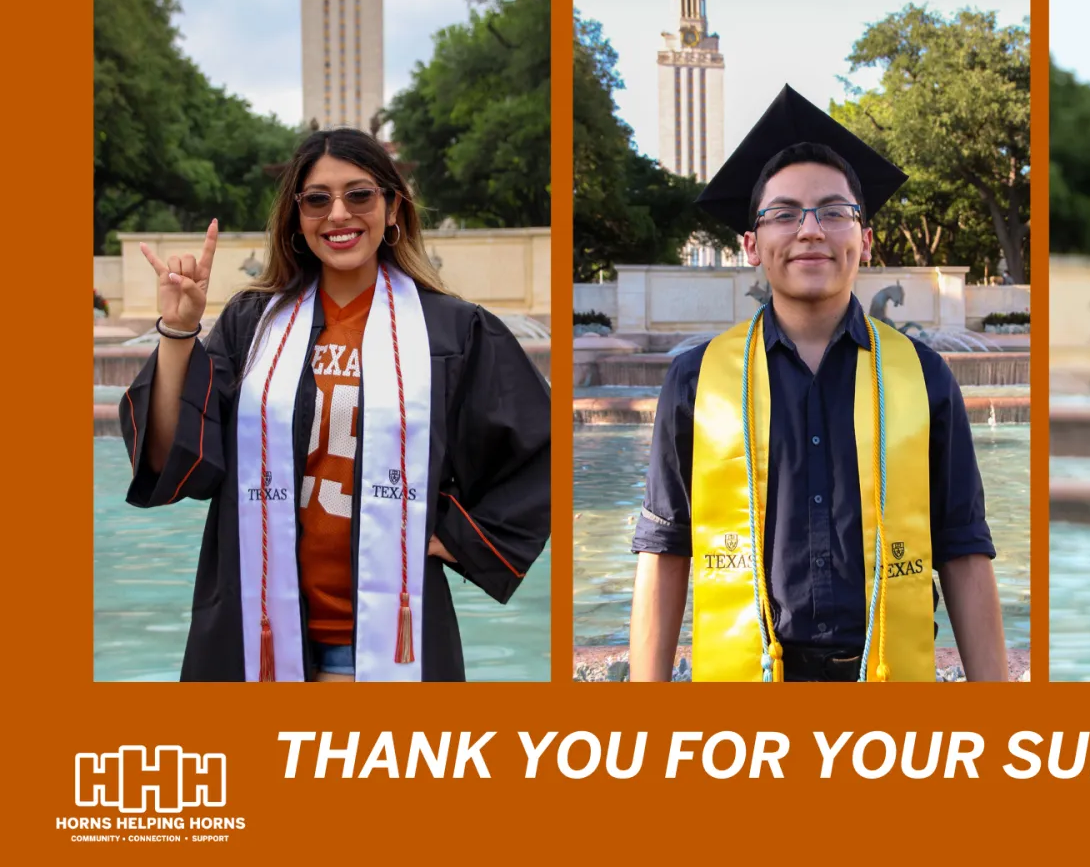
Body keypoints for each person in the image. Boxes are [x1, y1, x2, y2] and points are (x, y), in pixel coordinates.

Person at [118, 128, 551, 682]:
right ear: (297, 219)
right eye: (317, 199)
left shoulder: (451, 330)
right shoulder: (254, 324)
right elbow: (174, 458)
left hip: (393, 640)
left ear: (393, 207)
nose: (338, 214)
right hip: (256, 633)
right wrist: (178, 331)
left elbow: (541, 449)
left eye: (360, 194)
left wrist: (459, 536)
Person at [628, 85, 1008, 682]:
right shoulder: (697, 379)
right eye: (784, 214)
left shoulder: (923, 375)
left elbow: (961, 546)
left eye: (834, 212)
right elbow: (666, 546)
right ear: (751, 244)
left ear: (866, 239)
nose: (810, 230)